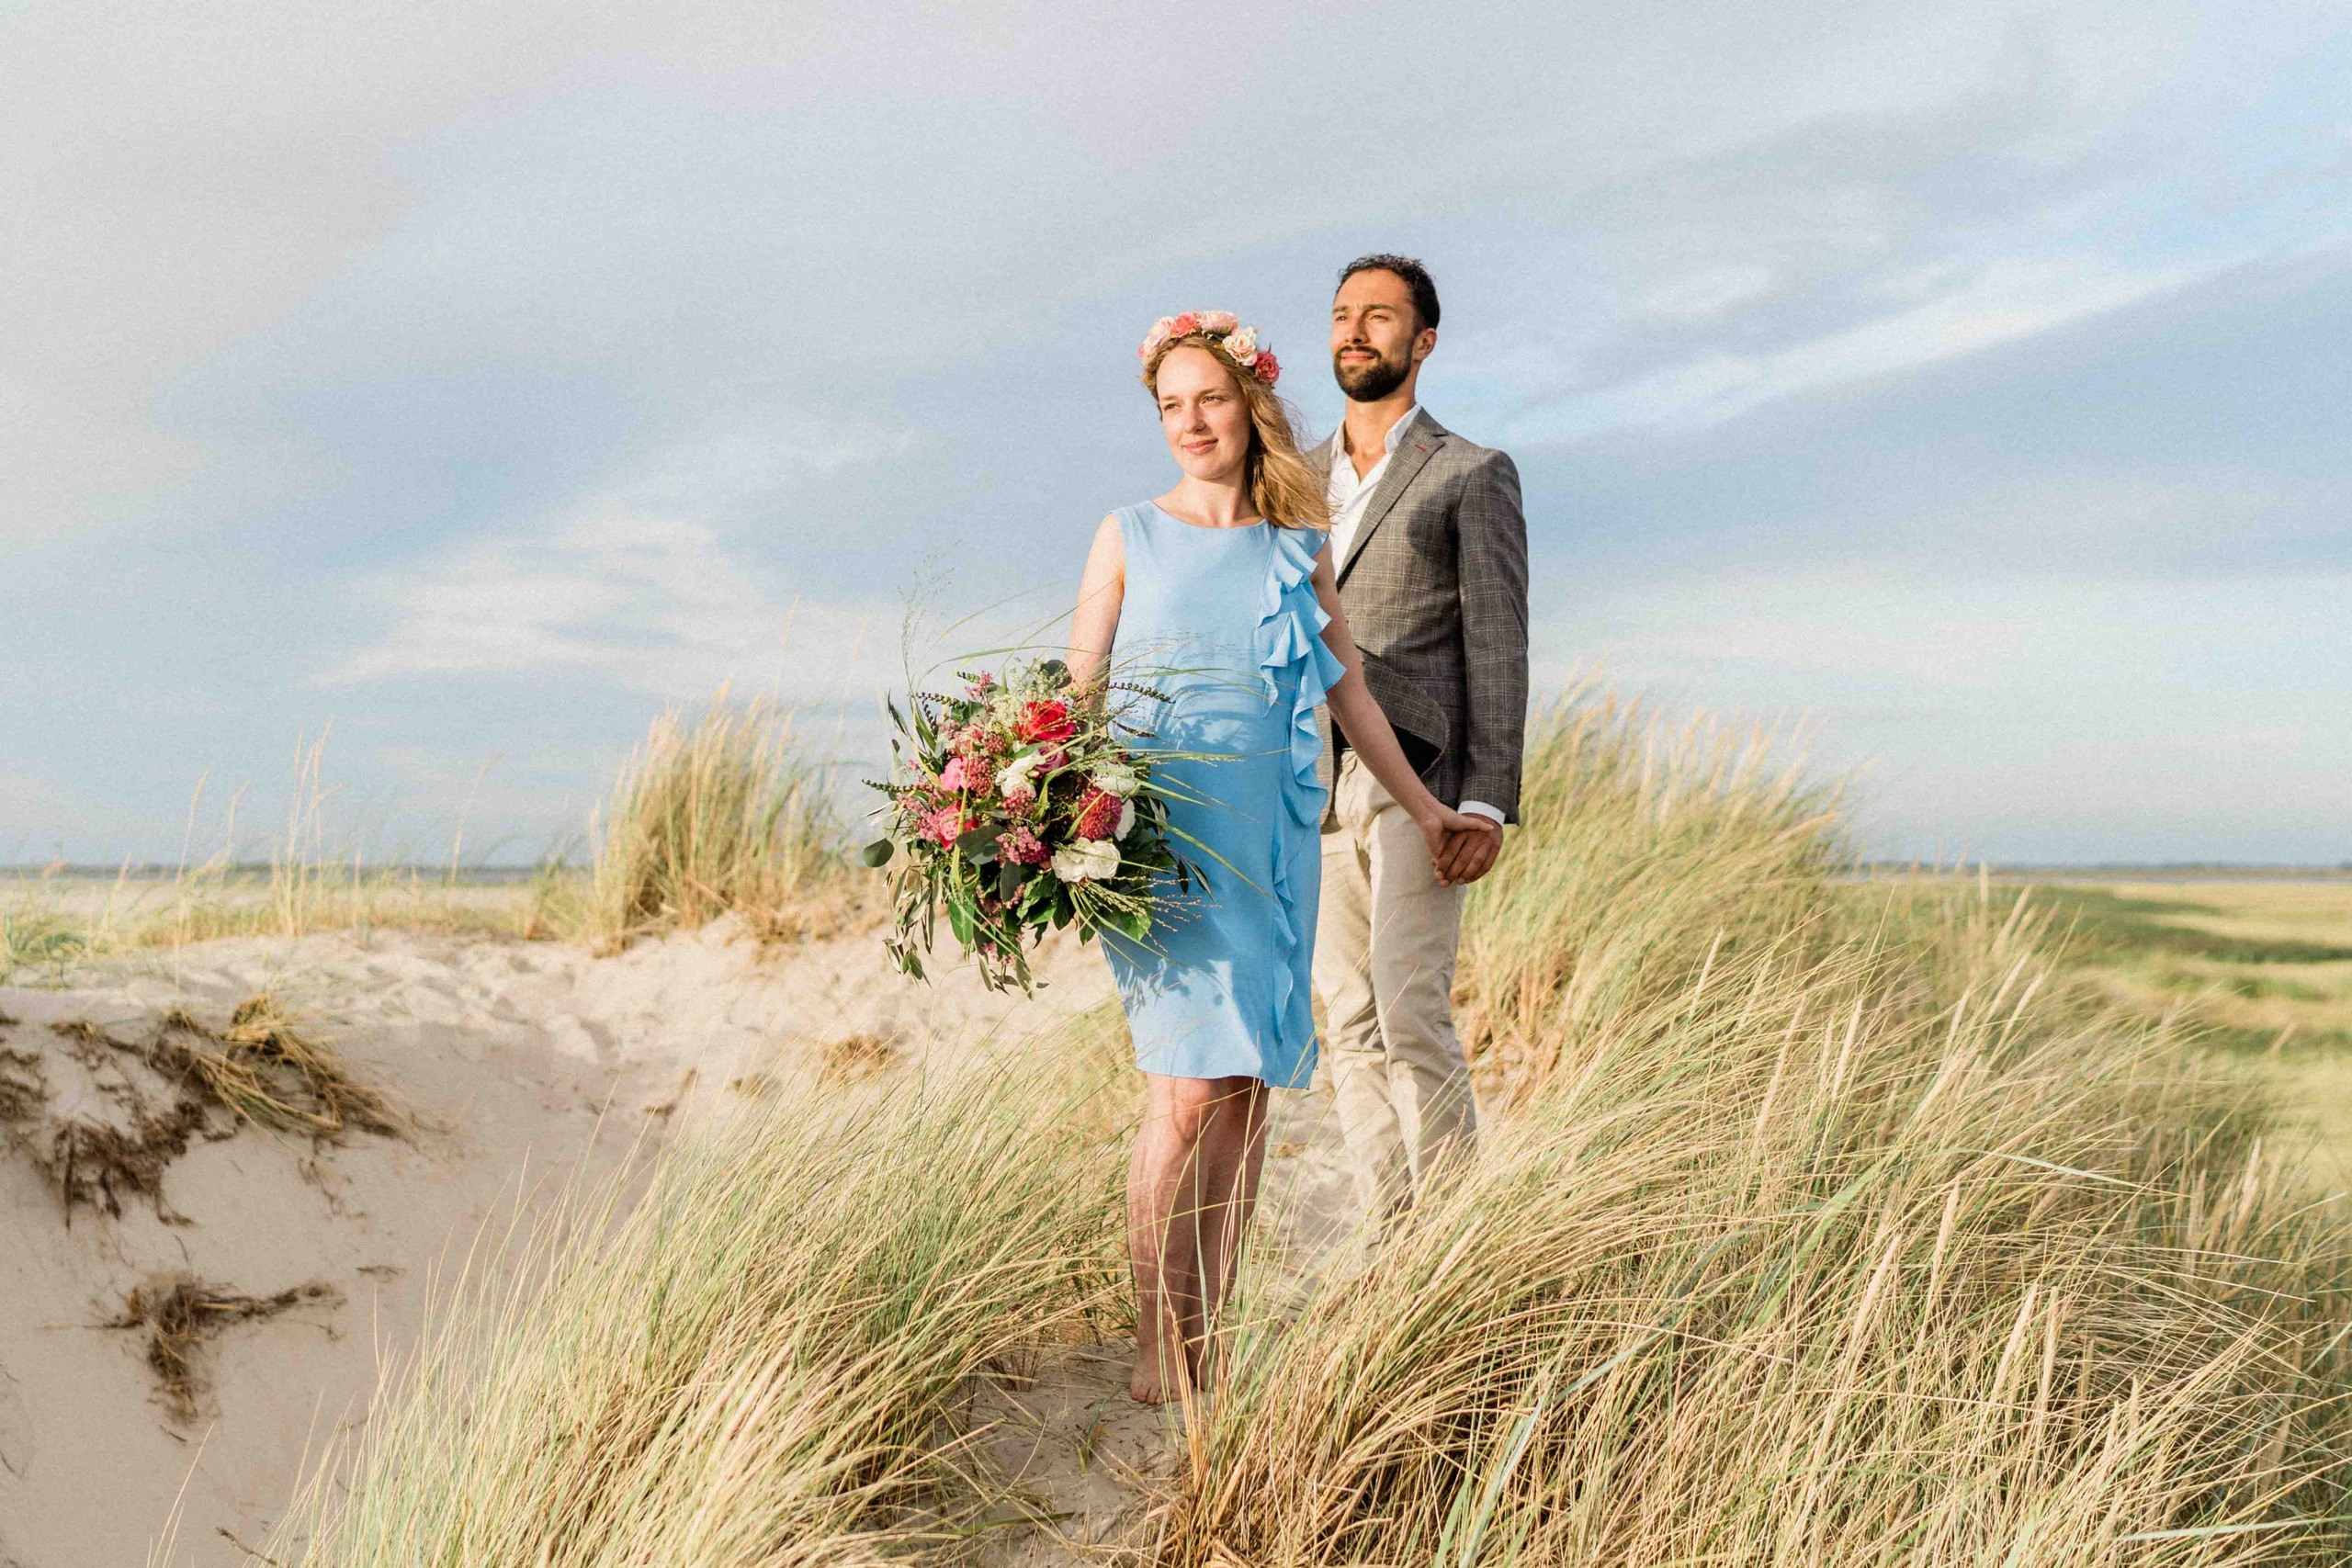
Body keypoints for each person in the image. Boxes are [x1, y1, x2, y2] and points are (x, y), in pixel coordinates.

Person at [1066, 310, 1493, 1404]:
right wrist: (1055, 814)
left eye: (1208, 399)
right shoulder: (1127, 533)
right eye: (1170, 406)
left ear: (1248, 405)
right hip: (1166, 846)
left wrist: (1427, 810)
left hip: (1272, 843)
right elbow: (1076, 697)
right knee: (1184, 1091)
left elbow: (1351, 696)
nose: (1190, 423)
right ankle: (1155, 1345)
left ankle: (1206, 1336)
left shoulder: (1297, 547)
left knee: (1247, 1093)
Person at [1308, 254, 1530, 1234]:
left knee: (1411, 1011)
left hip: (1422, 780)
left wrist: (1485, 800)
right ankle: (1388, 1235)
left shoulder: (1470, 472)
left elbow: (1499, 642)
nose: (1356, 331)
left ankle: (1452, 1240)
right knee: (1349, 1020)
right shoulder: (1287, 479)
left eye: (1380, 316)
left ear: (1423, 341)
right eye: (1342, 315)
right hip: (1309, 781)